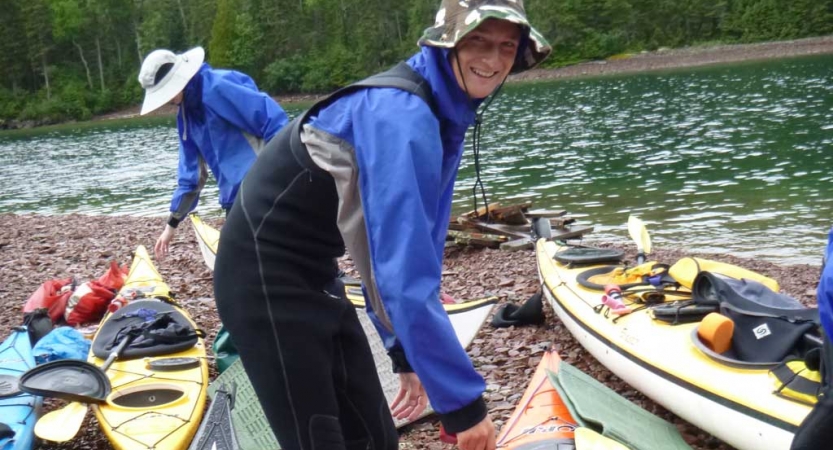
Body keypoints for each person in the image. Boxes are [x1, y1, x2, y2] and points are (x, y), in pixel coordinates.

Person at [213, 1, 550, 449]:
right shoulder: (399, 115)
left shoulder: (441, 106)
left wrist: (405, 351)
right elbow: (399, 273)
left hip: (317, 275)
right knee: (318, 437)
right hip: (259, 283)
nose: (493, 61)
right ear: (446, 43)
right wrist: (464, 408)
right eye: (478, 42)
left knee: (375, 435)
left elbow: (416, 244)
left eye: (507, 47)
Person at [137, 46, 289, 260]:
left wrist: (283, 173)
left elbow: (274, 122)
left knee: (287, 246)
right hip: (235, 198)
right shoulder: (186, 117)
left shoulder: (218, 87)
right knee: (244, 261)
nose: (167, 101)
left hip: (267, 185)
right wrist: (172, 224)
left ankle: (328, 282)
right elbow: (191, 175)